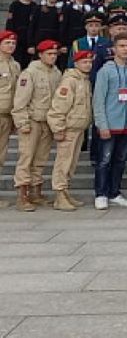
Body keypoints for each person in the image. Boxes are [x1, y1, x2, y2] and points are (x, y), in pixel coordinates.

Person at [11, 39, 62, 210]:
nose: (53, 57)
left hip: (47, 121)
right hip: (32, 121)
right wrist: (22, 122)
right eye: (49, 54)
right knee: (26, 158)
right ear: (40, 55)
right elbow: (20, 100)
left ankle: (36, 192)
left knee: (41, 159)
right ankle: (22, 196)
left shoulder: (56, 73)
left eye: (55, 54)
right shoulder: (30, 73)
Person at [92, 35, 127, 209]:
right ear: (114, 49)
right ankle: (101, 193)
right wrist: (101, 124)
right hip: (109, 123)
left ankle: (114, 192)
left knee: (120, 160)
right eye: (121, 46)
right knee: (104, 160)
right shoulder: (105, 71)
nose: (125, 49)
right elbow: (98, 99)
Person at [47, 49, 93, 211]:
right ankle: (59, 194)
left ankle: (65, 191)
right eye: (84, 62)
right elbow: (59, 107)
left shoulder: (84, 80)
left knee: (71, 163)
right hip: (68, 128)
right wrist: (58, 128)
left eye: (90, 62)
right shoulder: (70, 81)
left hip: (79, 127)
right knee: (63, 162)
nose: (88, 65)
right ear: (76, 63)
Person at [0, 30, 21, 207]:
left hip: (7, 115)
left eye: (13, 43)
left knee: (1, 156)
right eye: (7, 43)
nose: (11, 46)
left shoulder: (15, 65)